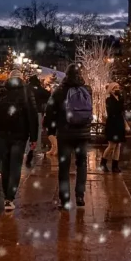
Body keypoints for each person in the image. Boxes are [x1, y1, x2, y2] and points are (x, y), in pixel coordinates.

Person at [43, 64, 92, 208]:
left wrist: (51, 131)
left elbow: (50, 112)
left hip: (65, 134)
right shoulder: (87, 90)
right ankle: (80, 196)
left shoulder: (59, 91)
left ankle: (65, 200)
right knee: (81, 164)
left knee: (64, 167)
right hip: (82, 134)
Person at [0, 70, 39, 211]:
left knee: (5, 164)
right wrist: (33, 137)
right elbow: (32, 116)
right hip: (20, 135)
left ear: (9, 78)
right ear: (21, 78)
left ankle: (6, 195)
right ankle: (10, 197)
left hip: (2, 134)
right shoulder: (27, 92)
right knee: (16, 165)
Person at [100, 83, 125, 174]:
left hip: (119, 123)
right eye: (115, 88)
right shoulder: (109, 100)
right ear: (110, 89)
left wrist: (119, 98)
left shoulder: (121, 99)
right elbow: (112, 111)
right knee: (111, 146)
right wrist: (115, 97)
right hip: (112, 124)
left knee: (118, 145)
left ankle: (115, 166)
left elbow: (122, 110)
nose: (117, 89)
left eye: (118, 87)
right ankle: (103, 163)